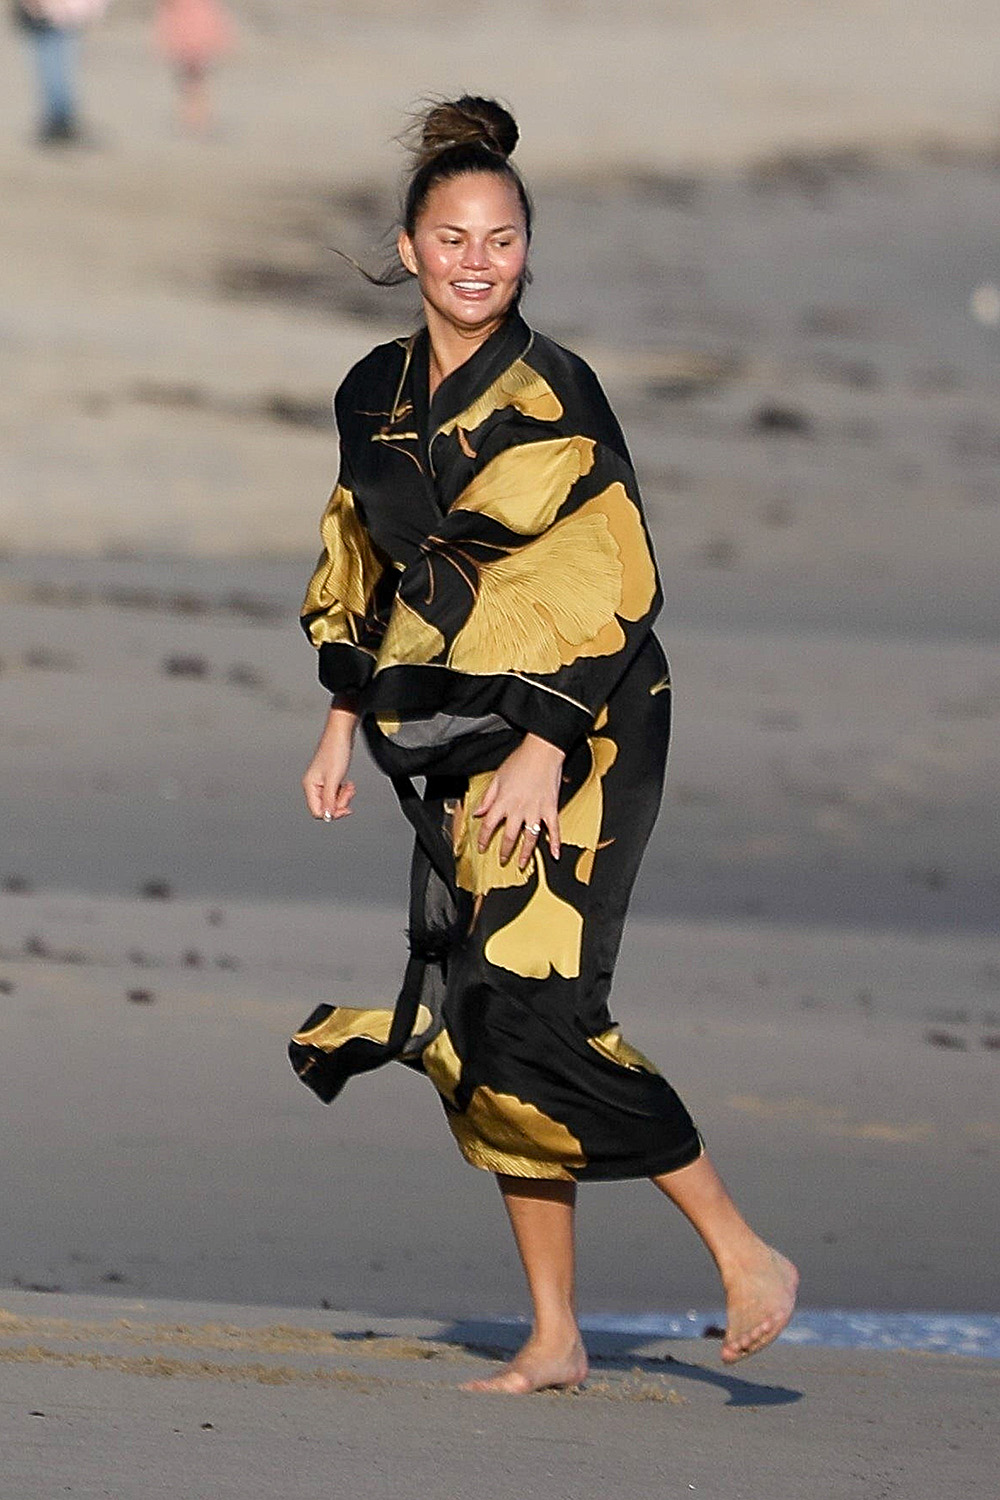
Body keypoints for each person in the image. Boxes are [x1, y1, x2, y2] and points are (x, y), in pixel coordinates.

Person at [293, 95, 798, 1395]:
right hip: (458, 725)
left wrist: (544, 745)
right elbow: (360, 550)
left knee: (538, 1009)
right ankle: (559, 1336)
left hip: (594, 721)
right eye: (453, 238)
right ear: (409, 248)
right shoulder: (372, 392)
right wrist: (342, 715)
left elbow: (619, 577)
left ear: (527, 251)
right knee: (477, 1010)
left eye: (502, 240)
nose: (477, 260)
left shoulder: (552, 392)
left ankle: (744, 1251)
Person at [13, 0, 106, 146]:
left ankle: (60, 119)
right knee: (54, 64)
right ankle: (59, 120)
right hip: (52, 15)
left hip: (56, 14)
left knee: (54, 63)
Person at [153, 0, 234, 136]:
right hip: (193, 27)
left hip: (188, 29)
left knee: (191, 80)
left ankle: (195, 118)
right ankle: (196, 118)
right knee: (195, 80)